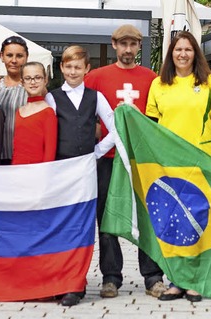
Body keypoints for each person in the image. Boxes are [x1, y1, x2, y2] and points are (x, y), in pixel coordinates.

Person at [146, 31, 211, 303]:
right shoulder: (159, 84)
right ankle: (176, 280)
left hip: (199, 163)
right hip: (167, 166)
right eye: (178, 49)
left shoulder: (209, 83)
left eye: (188, 49)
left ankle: (196, 281)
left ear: (196, 53)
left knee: (197, 223)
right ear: (171, 53)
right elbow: (149, 128)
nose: (182, 54)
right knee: (171, 224)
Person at [84, 24, 166, 299]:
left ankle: (153, 276)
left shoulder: (151, 78)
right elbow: (87, 114)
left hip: (140, 161)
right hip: (107, 158)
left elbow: (157, 119)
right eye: (123, 44)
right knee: (107, 217)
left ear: (139, 46)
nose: (128, 49)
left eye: (133, 44)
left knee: (147, 217)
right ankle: (110, 276)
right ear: (114, 45)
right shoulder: (96, 77)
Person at [45, 45, 116, 306]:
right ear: (62, 68)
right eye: (68, 66)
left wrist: (98, 151)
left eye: (78, 67)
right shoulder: (52, 97)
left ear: (87, 69)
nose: (73, 71)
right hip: (61, 171)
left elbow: (115, 127)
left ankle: (77, 282)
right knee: (64, 225)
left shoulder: (95, 97)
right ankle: (63, 279)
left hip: (87, 170)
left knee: (84, 226)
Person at [12, 62, 57, 164]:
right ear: (22, 82)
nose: (33, 82)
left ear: (45, 80)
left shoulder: (48, 112)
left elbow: (50, 152)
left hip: (37, 171)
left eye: (37, 77)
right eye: (28, 78)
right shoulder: (19, 111)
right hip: (16, 170)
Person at [0, 36, 29, 164]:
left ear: (26, 57)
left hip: (23, 156)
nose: (14, 60)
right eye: (9, 55)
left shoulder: (33, 88)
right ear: (2, 56)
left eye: (19, 56)